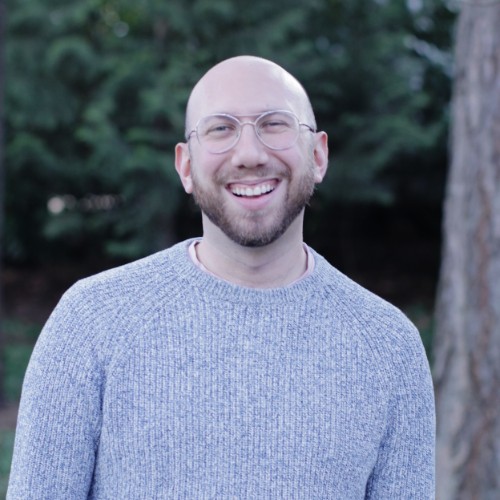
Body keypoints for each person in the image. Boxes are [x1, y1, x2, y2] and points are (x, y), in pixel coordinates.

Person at [7, 55, 435, 499]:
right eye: (221, 129)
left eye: (275, 124)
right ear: (186, 166)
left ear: (318, 154)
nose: (249, 154)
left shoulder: (389, 347)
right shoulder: (92, 321)